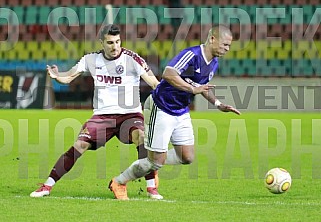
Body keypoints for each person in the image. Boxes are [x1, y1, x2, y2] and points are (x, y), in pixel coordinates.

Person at [30, 24, 163, 200]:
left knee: (141, 136)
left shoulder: (133, 59)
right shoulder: (90, 60)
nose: (115, 46)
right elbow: (69, 76)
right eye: (110, 42)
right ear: (101, 43)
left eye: (117, 42)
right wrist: (57, 76)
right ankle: (47, 185)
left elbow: (154, 83)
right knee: (79, 145)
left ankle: (151, 188)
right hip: (102, 116)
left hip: (130, 114)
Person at [109, 25, 241, 200]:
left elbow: (201, 87)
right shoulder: (192, 55)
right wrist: (192, 90)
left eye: (229, 46)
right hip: (161, 106)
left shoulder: (214, 63)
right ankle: (119, 181)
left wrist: (218, 103)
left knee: (187, 157)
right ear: (212, 39)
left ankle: (153, 161)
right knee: (155, 161)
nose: (227, 49)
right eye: (225, 44)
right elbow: (168, 74)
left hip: (181, 110)